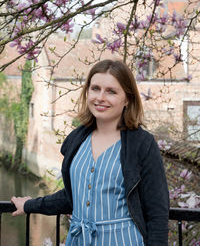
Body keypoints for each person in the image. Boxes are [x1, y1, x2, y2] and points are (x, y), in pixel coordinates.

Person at [11, 59, 169, 246]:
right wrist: (29, 205)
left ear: (127, 98)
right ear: (87, 92)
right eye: (95, 88)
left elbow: (157, 212)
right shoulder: (76, 140)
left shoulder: (142, 144)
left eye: (111, 91)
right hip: (78, 240)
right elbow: (72, 196)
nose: (100, 97)